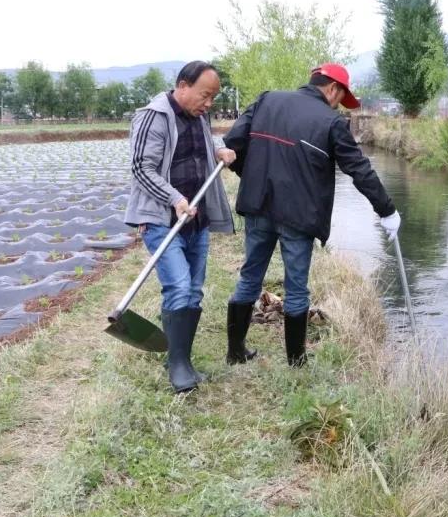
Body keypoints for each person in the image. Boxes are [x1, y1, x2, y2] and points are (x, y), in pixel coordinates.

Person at [222, 63, 401, 366]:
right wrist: (387, 210)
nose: (338, 105)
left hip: (257, 206)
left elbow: (232, 147)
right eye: (340, 98)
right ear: (332, 88)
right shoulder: (331, 122)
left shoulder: (267, 100)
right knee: (296, 288)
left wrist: (254, 179)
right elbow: (358, 169)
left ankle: (235, 352)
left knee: (250, 277)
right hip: (298, 216)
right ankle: (296, 362)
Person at [123, 61, 236, 393]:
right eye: (205, 95)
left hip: (195, 219)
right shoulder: (154, 117)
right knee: (180, 287)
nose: (209, 103)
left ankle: (181, 358)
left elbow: (202, 150)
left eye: (213, 97)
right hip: (161, 219)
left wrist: (219, 151)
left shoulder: (199, 116)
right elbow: (142, 169)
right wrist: (174, 199)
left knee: (194, 290)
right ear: (183, 85)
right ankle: (177, 365)